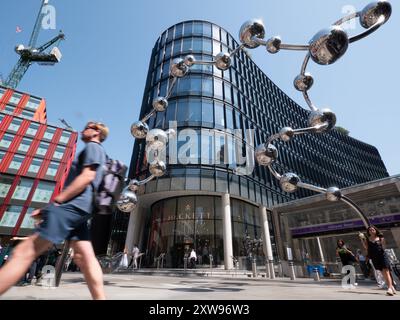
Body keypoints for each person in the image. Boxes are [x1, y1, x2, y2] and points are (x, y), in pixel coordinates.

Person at [0, 121, 108, 300]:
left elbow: (87, 176)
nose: (83, 129)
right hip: (83, 209)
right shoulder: (98, 151)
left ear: (97, 132)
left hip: (74, 205)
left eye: (87, 127)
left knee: (24, 251)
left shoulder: (93, 148)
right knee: (86, 258)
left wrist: (57, 201)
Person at [359, 226, 396, 296]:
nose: (371, 231)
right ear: (368, 232)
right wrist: (362, 239)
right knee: (383, 273)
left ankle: (390, 288)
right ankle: (391, 286)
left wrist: (382, 241)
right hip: (374, 257)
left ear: (375, 230)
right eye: (370, 230)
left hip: (382, 256)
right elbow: (366, 247)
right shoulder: (368, 239)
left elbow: (384, 247)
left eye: (373, 230)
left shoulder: (380, 237)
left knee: (386, 271)